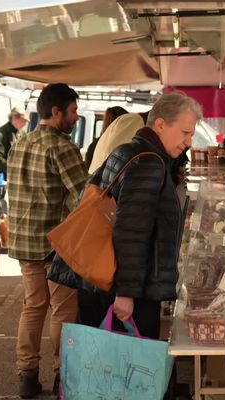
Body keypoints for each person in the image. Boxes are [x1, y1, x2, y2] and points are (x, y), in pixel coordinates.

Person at [74, 92, 201, 339]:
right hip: (125, 291)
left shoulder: (127, 150)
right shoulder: (149, 163)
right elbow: (131, 231)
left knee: (96, 363)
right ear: (161, 124)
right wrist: (126, 293)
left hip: (101, 279)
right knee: (127, 369)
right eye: (185, 132)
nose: (189, 142)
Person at [7, 83, 88, 398]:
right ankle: (61, 375)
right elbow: (86, 196)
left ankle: (27, 375)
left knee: (33, 307)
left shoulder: (20, 144)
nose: (76, 117)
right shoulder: (61, 147)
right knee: (63, 311)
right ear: (56, 112)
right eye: (73, 111)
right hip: (57, 244)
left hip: (25, 242)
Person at [0, 107, 28, 180]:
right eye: (23, 120)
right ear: (14, 118)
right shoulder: (1, 133)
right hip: (6, 176)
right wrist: (14, 168)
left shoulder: (22, 133)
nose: (25, 124)